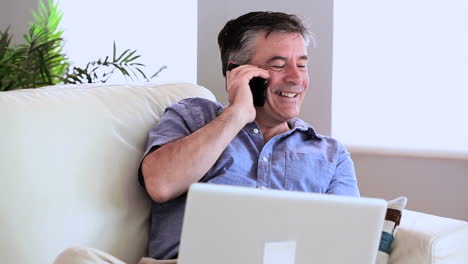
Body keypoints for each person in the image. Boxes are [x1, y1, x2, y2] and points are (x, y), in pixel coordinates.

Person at [54, 11, 359, 264]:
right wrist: (238, 114)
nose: (296, 77)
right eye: (278, 65)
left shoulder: (330, 154)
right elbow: (161, 184)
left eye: (302, 65)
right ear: (239, 73)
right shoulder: (193, 117)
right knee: (77, 259)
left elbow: (348, 247)